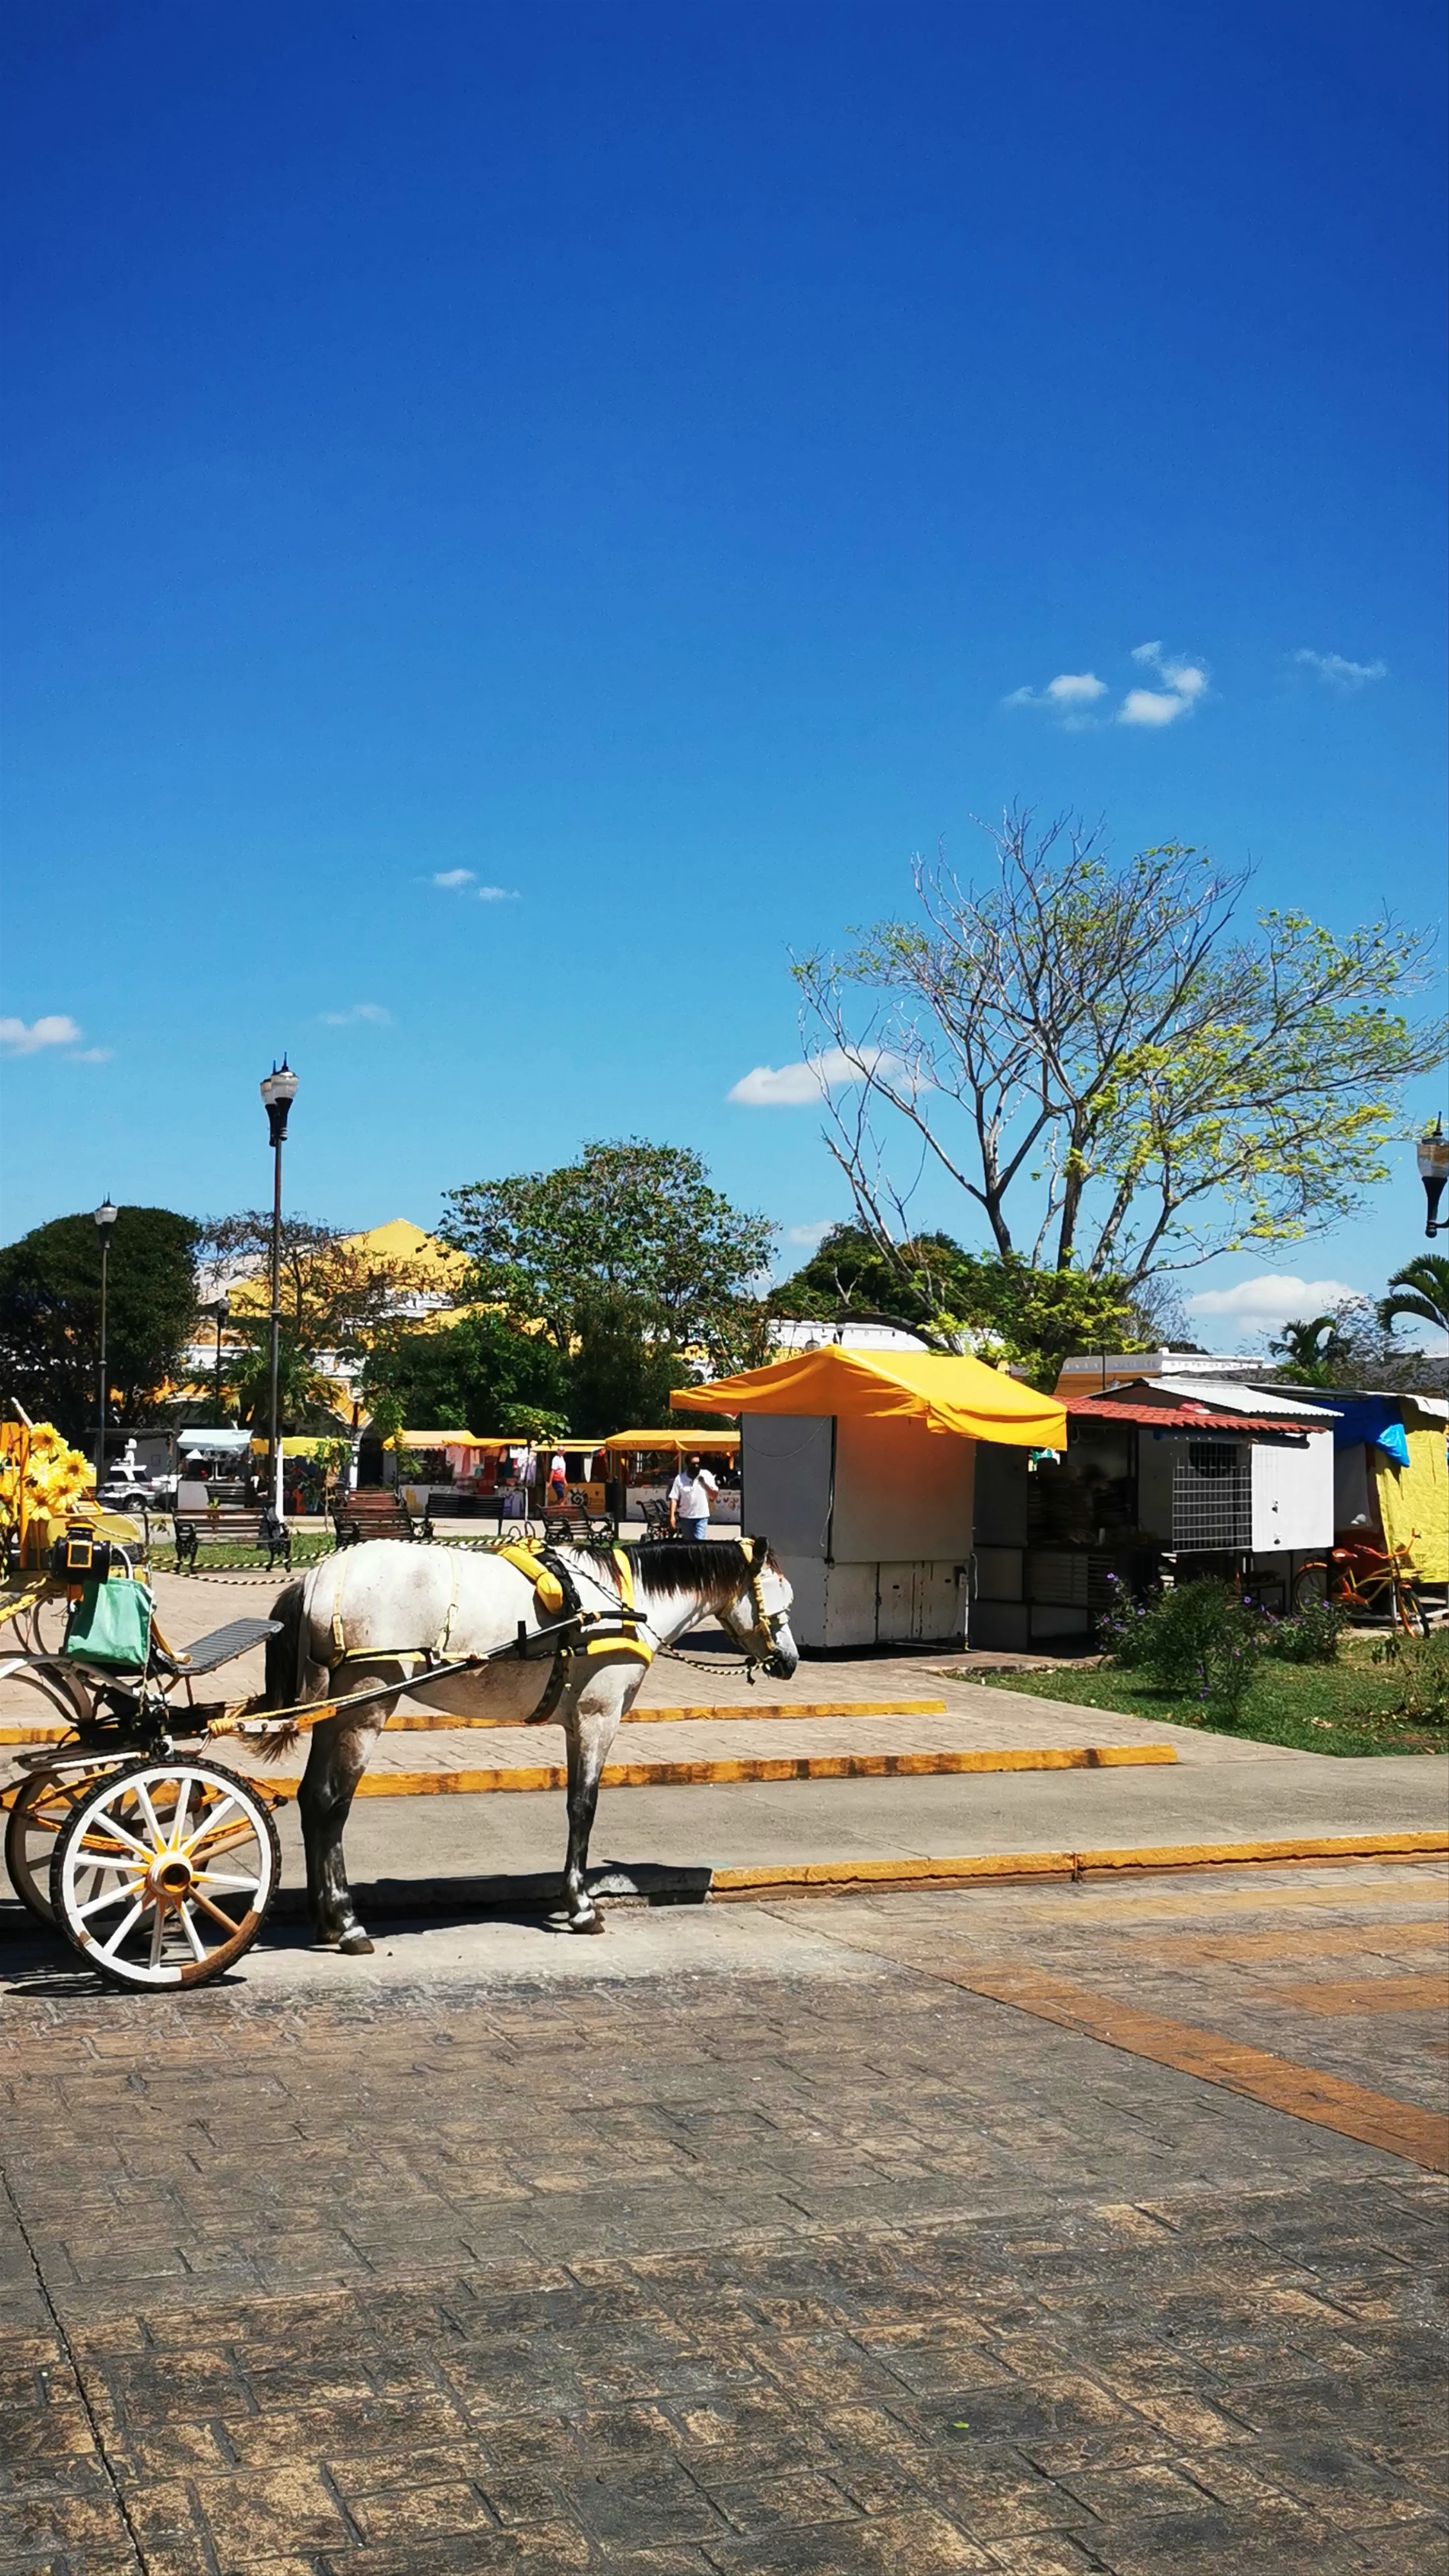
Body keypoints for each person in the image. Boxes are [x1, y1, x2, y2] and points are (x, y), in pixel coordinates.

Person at [668, 1453, 718, 1541]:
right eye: (694, 1464)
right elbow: (674, 1498)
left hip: (701, 1517)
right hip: (686, 1517)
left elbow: (714, 1496)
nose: (696, 1466)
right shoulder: (680, 1479)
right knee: (688, 1544)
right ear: (688, 1465)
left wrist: (704, 1484)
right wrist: (672, 1517)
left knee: (699, 1542)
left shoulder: (706, 1475)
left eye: (698, 1464)